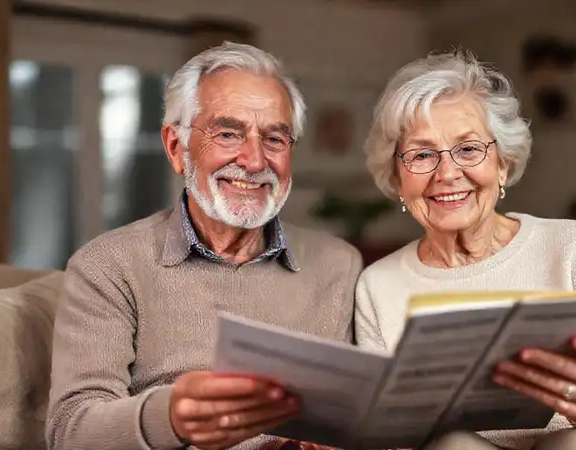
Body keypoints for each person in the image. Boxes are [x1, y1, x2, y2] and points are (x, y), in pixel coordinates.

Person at [355, 50, 576, 450]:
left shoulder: (573, 247)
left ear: (503, 165)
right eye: (422, 155)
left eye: (469, 149)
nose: (446, 173)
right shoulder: (378, 286)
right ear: (396, 177)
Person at [46, 42, 362, 450]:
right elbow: (71, 431)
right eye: (228, 133)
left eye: (274, 139)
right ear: (176, 148)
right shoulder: (107, 266)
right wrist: (171, 417)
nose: (253, 160)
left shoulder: (339, 264)